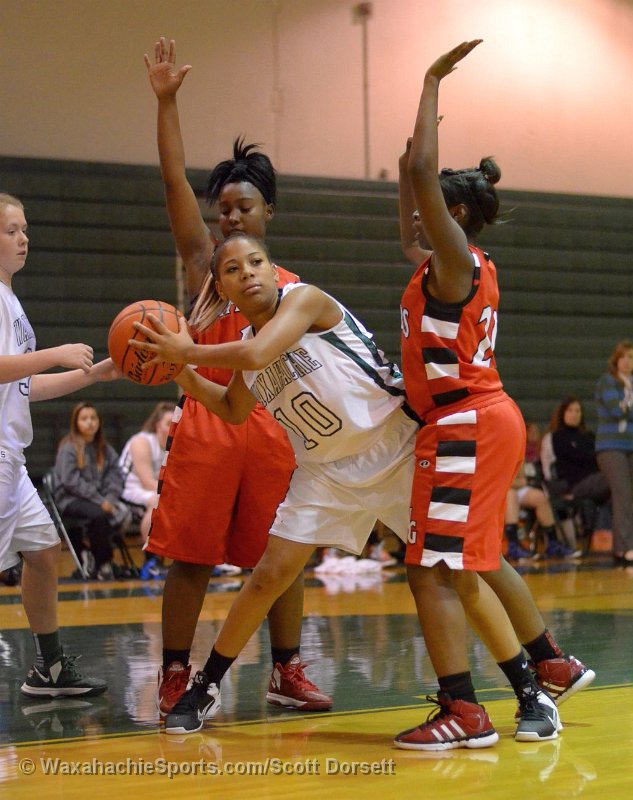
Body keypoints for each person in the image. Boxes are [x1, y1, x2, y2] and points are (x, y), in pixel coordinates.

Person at [130, 231, 420, 735]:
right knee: (268, 574)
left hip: (390, 448)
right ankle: (206, 685)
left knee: (457, 566)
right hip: (324, 469)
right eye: (233, 269)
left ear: (272, 267)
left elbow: (257, 353)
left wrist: (187, 349)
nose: (248, 273)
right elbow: (231, 408)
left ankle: (531, 665)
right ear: (221, 288)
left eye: (256, 262)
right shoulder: (248, 341)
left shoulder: (303, 300)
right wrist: (179, 370)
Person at [394, 41, 593, 750]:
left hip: (465, 422)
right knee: (472, 561)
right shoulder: (452, 262)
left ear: (451, 212)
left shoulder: (453, 260)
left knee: (431, 569)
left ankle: (467, 708)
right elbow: (410, 204)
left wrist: (429, 81)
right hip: (479, 418)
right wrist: (406, 167)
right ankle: (547, 666)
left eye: (428, 206)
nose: (417, 216)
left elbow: (424, 177)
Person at [144, 38, 330, 715]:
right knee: (191, 557)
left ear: (267, 212)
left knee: (282, 558)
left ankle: (286, 669)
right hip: (208, 421)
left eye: (242, 207)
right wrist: (167, 103)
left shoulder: (291, 289)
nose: (229, 216)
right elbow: (173, 184)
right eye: (222, 207)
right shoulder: (206, 266)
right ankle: (174, 671)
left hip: (274, 427)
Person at [0, 192, 113, 697]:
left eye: (24, 229)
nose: (23, 238)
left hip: (12, 458)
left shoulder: (11, 301)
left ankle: (48, 670)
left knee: (44, 552)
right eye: (11, 231)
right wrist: (54, 353)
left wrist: (94, 374)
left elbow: (24, 386)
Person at [54, 402, 130, 580]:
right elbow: (70, 481)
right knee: (99, 515)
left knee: (122, 513)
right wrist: (100, 500)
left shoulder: (105, 449)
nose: (90, 422)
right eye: (84, 418)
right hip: (71, 500)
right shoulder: (68, 448)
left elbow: (116, 477)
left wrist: (110, 499)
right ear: (76, 423)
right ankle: (104, 563)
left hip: (100, 501)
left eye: (93, 418)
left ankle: (91, 556)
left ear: (99, 421)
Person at [119, 401, 175, 578]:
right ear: (158, 425)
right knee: (157, 502)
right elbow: (147, 482)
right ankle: (151, 560)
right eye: (169, 423)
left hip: (152, 491)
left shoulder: (174, 446)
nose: (173, 427)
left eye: (176, 423)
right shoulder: (142, 441)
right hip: (127, 490)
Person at [548, 396, 610, 539]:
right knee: (615, 478)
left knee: (619, 493)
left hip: (596, 482)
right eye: (570, 410)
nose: (574, 414)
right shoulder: (558, 437)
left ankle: (605, 536)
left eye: (577, 411)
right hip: (576, 484)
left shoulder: (589, 436)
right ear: (563, 413)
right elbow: (577, 458)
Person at [595, 341, 633, 565]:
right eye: (624, 357)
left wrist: (626, 407)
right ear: (616, 359)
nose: (628, 362)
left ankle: (626, 545)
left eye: (631, 357)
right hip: (611, 447)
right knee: (622, 494)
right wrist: (625, 408)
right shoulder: (607, 381)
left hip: (630, 445)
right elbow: (616, 409)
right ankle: (623, 547)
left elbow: (625, 409)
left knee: (630, 497)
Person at [504, 463, 580, 560]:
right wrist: (514, 482)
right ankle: (513, 546)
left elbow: (523, 480)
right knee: (511, 496)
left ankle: (553, 544)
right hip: (498, 491)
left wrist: (515, 482)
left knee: (540, 497)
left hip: (514, 487)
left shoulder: (517, 453)